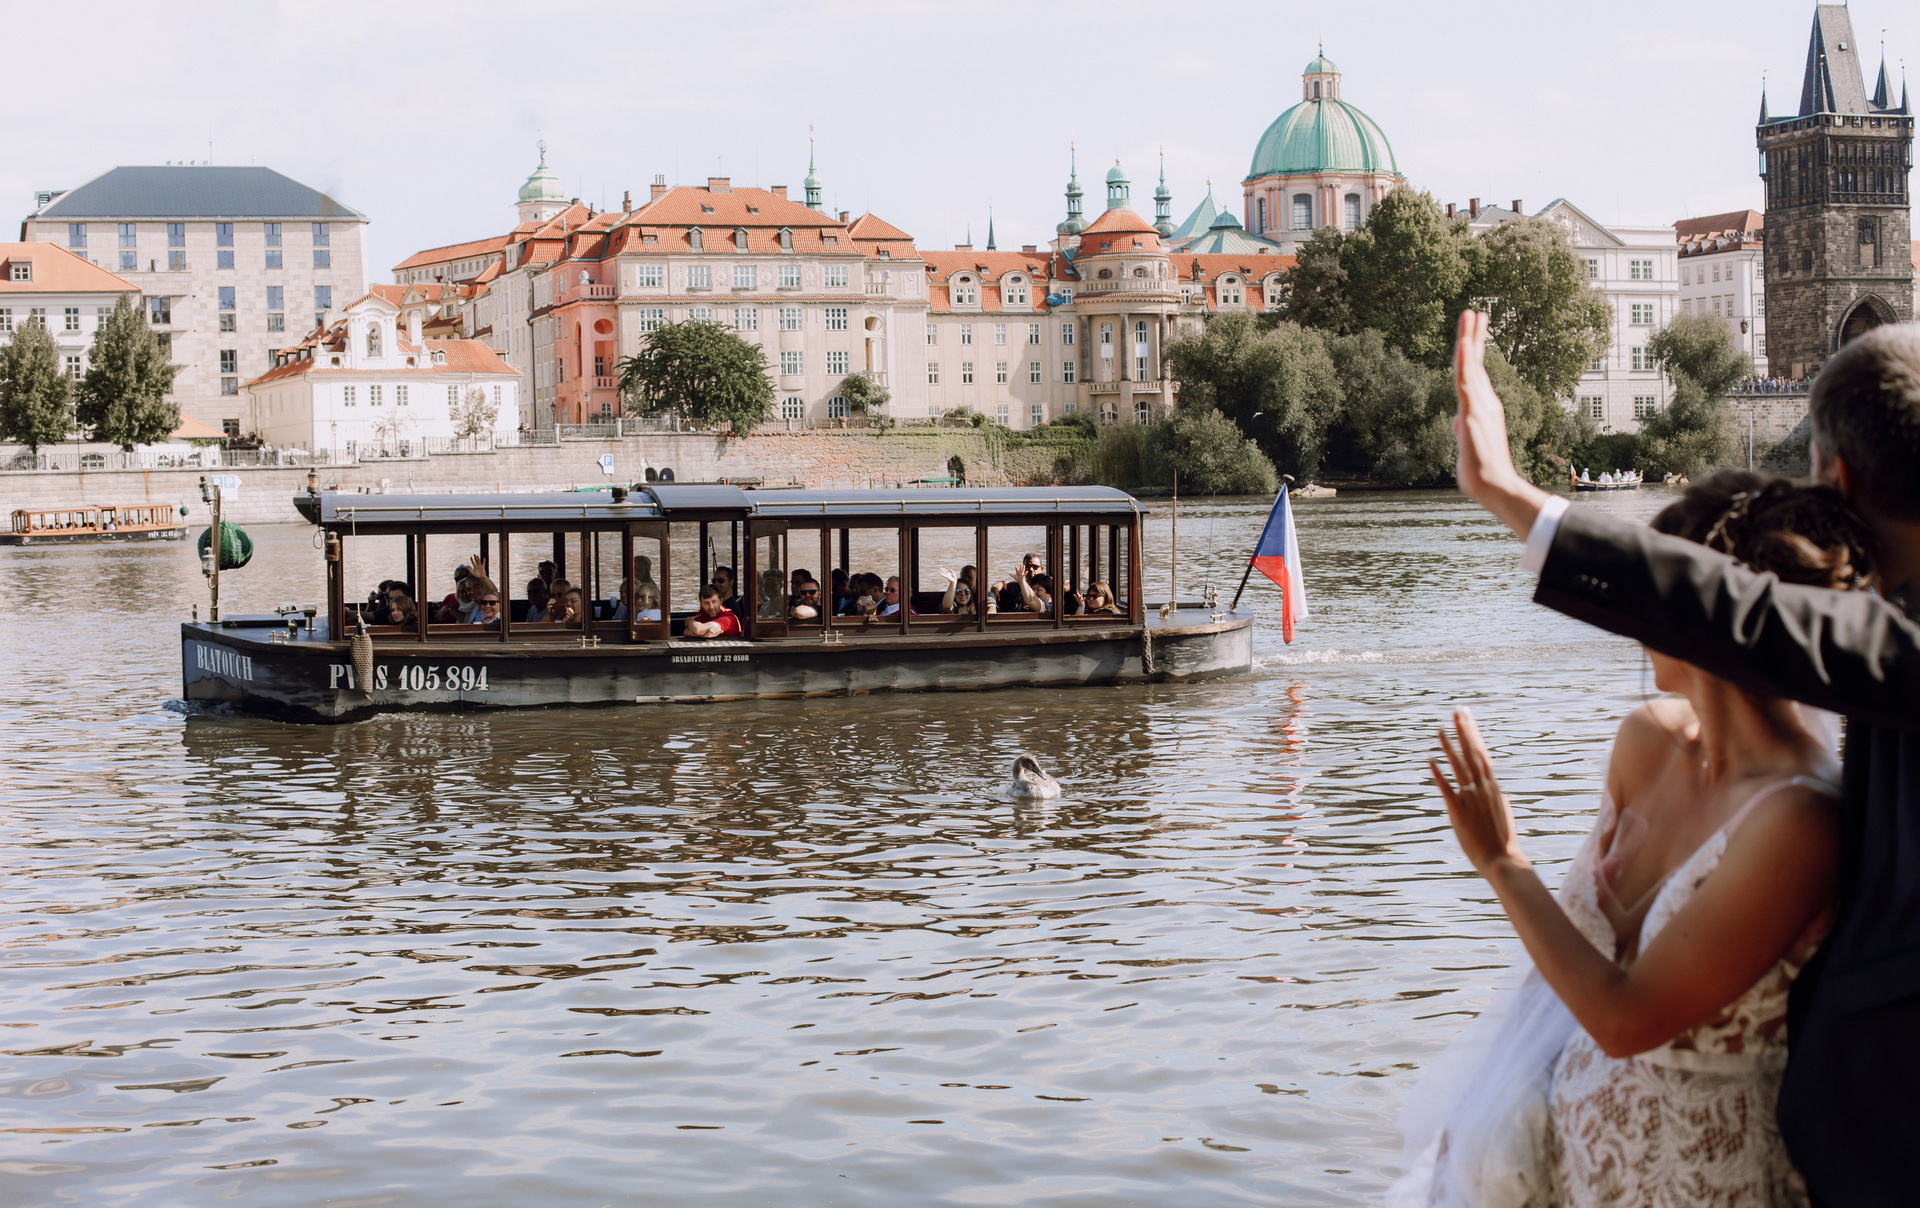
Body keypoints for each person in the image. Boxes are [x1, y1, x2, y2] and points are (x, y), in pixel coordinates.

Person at [1446, 312, 1920, 1205]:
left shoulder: (1811, 788)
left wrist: (1509, 493)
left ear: (1837, 475)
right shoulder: (1660, 739)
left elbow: (1750, 617)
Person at [1398, 472, 1869, 1206]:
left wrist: (1502, 861)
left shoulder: (1800, 816)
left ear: (1708, 611)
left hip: (1702, 1179)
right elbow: (1554, 983)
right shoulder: (1647, 743)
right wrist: (1482, 1124)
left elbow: (1626, 1020)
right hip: (1567, 1173)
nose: (1631, 615)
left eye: (1651, 588)